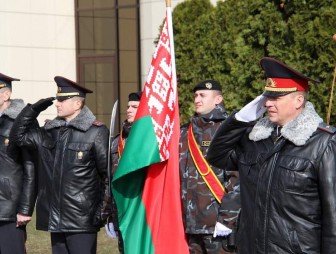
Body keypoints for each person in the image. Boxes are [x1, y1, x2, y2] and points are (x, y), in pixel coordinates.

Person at [207, 57, 336, 254]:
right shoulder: (256, 139)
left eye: (276, 97)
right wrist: (240, 119)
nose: (267, 103)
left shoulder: (322, 143)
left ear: (298, 100)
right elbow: (217, 155)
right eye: (267, 96)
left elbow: (333, 216)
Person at [9, 76, 109, 254]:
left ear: (78, 104)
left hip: (82, 219)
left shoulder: (96, 132)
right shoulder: (50, 131)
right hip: (55, 218)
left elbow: (107, 174)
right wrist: (33, 110)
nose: (57, 104)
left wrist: (102, 210)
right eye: (58, 99)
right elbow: (18, 137)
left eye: (63, 100)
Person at [179, 80, 240, 253]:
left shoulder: (228, 130)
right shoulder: (185, 132)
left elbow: (237, 179)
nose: (197, 99)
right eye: (196, 96)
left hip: (218, 225)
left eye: (203, 95)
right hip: (190, 224)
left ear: (218, 99)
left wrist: (228, 219)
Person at [102, 91, 142, 254]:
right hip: (120, 210)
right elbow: (109, 179)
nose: (129, 110)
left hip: (142, 210)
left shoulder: (152, 140)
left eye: (135, 107)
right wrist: (107, 213)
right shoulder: (116, 141)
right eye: (128, 107)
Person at [0, 73, 36, 254]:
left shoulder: (21, 122)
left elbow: (32, 168)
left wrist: (25, 208)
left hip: (9, 206)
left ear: (5, 95)